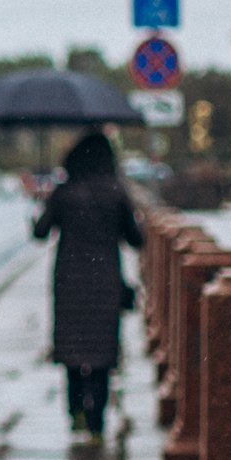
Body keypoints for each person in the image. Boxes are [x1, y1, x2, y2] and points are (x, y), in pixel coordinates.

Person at [32, 129, 144, 441]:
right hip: (105, 281)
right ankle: (97, 421)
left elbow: (40, 233)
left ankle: (76, 412)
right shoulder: (116, 191)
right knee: (101, 352)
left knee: (72, 350)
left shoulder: (64, 192)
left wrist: (39, 208)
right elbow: (136, 239)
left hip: (68, 281)